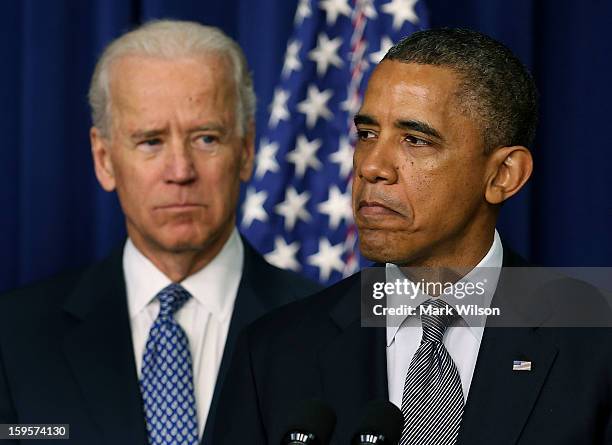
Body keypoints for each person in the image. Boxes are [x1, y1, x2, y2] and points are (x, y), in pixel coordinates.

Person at [213, 29, 612, 444]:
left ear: (503, 175)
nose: (372, 167)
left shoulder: (595, 343)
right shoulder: (273, 352)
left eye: (415, 140)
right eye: (367, 134)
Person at [0, 20, 320, 445]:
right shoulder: (14, 337)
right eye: (150, 141)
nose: (180, 171)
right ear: (104, 159)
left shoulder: (327, 329)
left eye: (206, 138)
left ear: (246, 152)